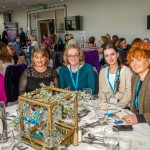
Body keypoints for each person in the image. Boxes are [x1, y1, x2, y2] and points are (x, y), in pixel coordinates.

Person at [122, 42, 150, 125]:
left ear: (148, 61)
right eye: (132, 60)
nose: (134, 64)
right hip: (139, 124)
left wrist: (139, 118)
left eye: (138, 59)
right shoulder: (135, 77)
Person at [99, 43, 132, 108]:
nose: (110, 58)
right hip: (107, 106)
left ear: (117, 54)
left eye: (112, 54)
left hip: (124, 107)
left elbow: (129, 94)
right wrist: (104, 104)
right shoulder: (102, 72)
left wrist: (117, 107)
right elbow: (101, 91)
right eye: (107, 55)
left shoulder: (127, 71)